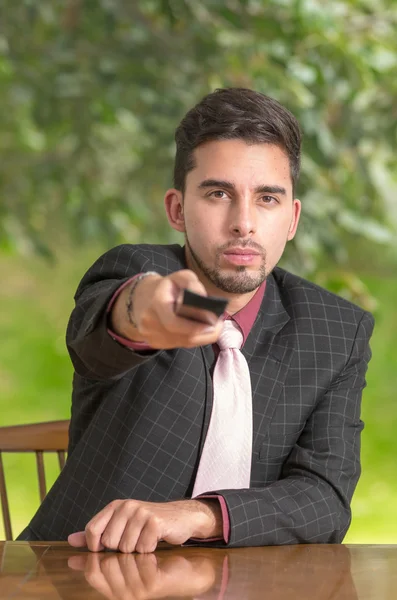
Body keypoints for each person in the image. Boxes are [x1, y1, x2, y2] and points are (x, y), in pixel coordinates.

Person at [18, 88, 374, 553]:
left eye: (267, 198)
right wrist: (143, 313)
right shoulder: (136, 271)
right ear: (177, 209)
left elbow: (324, 499)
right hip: (80, 569)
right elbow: (101, 335)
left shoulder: (337, 330)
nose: (243, 222)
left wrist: (198, 515)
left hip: (239, 583)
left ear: (292, 218)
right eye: (218, 193)